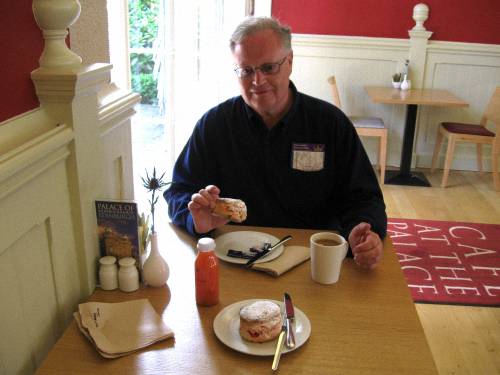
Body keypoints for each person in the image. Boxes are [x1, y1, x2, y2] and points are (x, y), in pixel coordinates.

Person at [164, 16, 387, 269]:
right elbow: (179, 192)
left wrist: (365, 231)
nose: (258, 82)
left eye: (268, 68)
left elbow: (364, 197)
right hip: (235, 261)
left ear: (290, 61)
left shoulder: (330, 124)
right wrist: (195, 220)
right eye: (246, 71)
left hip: (314, 261)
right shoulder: (214, 125)